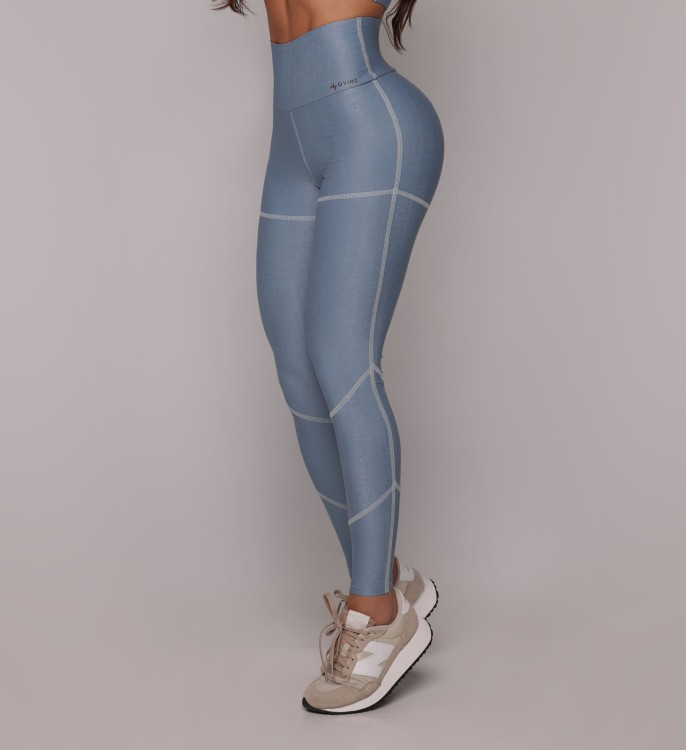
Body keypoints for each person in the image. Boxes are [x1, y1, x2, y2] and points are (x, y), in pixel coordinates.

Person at [215, 0, 445, 713]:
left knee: (343, 363)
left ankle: (374, 614)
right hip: (293, 140)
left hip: (369, 125)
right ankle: (386, 580)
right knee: (298, 369)